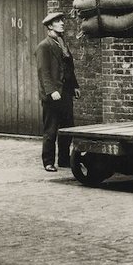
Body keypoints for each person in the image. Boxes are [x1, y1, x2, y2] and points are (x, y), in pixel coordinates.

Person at [35, 11, 80, 172]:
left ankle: (64, 159)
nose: (62, 23)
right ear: (49, 26)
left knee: (67, 128)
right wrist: (51, 90)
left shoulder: (62, 44)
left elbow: (68, 68)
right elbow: (43, 72)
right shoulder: (44, 46)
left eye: (62, 20)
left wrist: (75, 86)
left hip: (66, 93)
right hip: (53, 95)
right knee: (51, 129)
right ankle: (48, 161)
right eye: (58, 21)